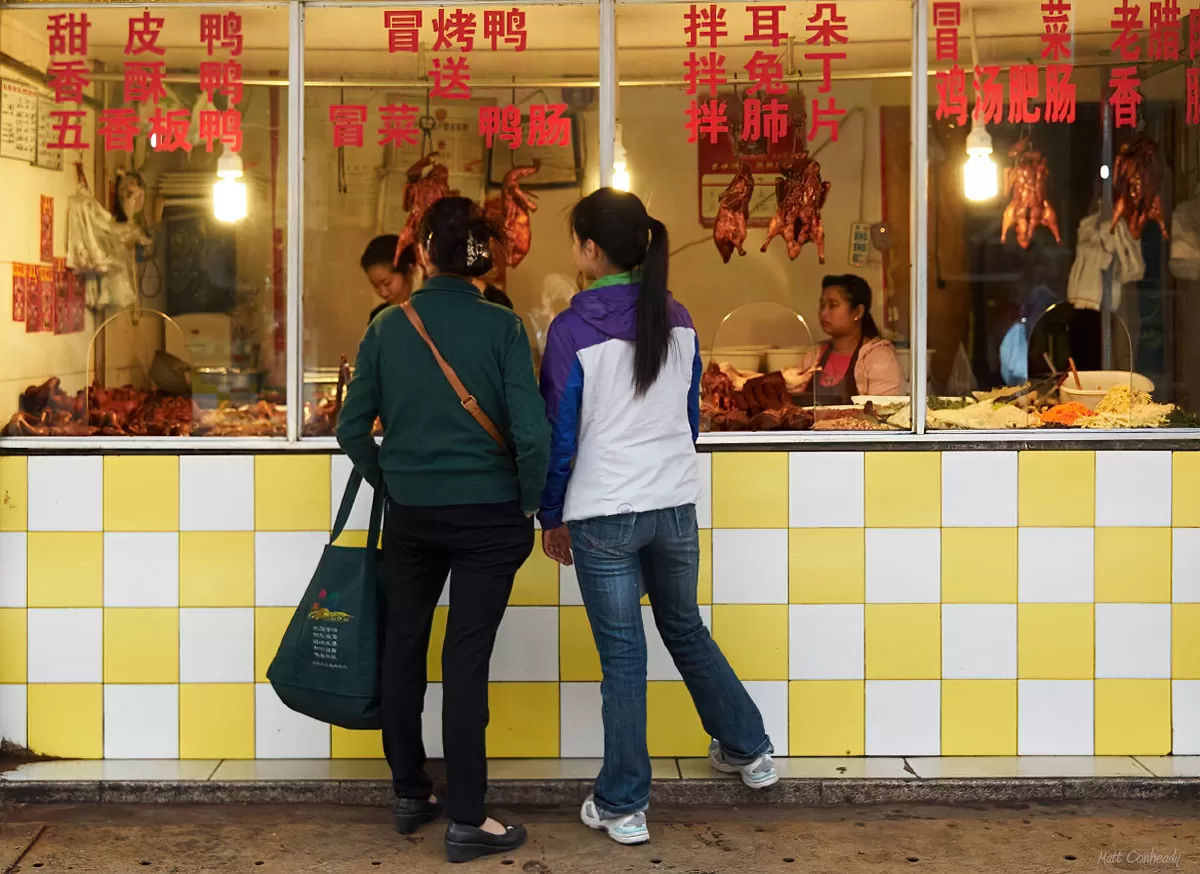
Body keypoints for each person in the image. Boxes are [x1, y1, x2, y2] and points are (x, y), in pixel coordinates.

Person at [538, 188, 776, 847]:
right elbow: (691, 415)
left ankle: (624, 803)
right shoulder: (678, 317)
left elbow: (561, 433)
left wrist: (550, 515)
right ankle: (750, 749)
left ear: (591, 250)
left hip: (605, 512)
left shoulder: (572, 330)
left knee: (623, 657)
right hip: (673, 504)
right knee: (684, 627)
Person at [337, 198, 550, 864]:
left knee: (404, 646)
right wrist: (526, 503)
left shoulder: (387, 328)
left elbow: (351, 430)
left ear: (422, 253)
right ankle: (467, 818)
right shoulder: (504, 327)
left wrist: (393, 481)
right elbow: (533, 435)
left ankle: (408, 791)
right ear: (487, 256)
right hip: (489, 517)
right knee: (466, 660)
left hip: (413, 516)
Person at [795, 274, 903, 402]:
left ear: (857, 312)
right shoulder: (814, 356)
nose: (823, 313)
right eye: (822, 305)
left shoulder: (879, 357)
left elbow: (883, 412)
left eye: (833, 305)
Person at [361, 234, 420, 325]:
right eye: (376, 285)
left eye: (387, 283)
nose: (383, 293)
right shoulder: (379, 317)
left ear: (410, 270)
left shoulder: (428, 312)